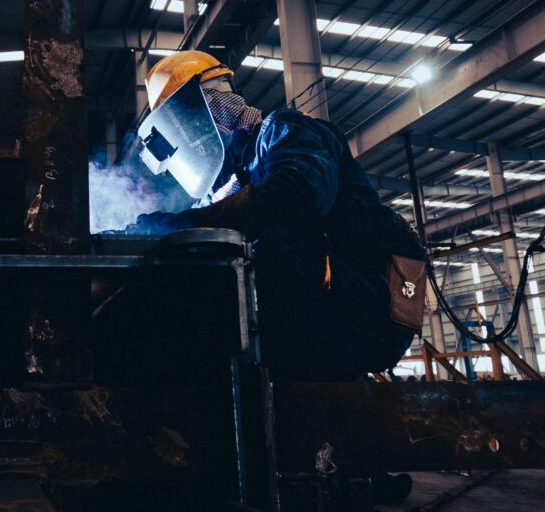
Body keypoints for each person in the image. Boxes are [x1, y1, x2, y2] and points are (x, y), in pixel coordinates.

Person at [125, 51, 427, 383]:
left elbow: (294, 195)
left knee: (268, 246)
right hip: (318, 320)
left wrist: (180, 224)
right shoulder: (225, 184)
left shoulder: (286, 130)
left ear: (207, 106)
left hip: (372, 300)